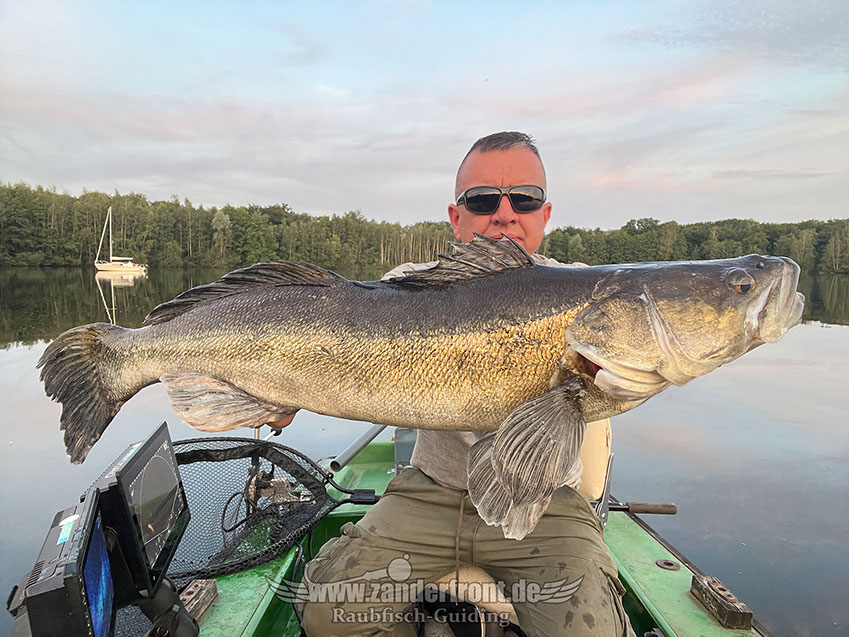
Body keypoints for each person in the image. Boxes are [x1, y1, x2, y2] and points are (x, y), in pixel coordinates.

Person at [298, 132, 635, 636]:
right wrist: (278, 388)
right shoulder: (410, 288)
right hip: (430, 493)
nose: (505, 214)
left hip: (547, 503)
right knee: (329, 616)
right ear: (457, 218)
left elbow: (639, 371)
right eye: (482, 200)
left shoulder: (593, 295)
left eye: (524, 199)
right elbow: (340, 351)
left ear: (544, 215)